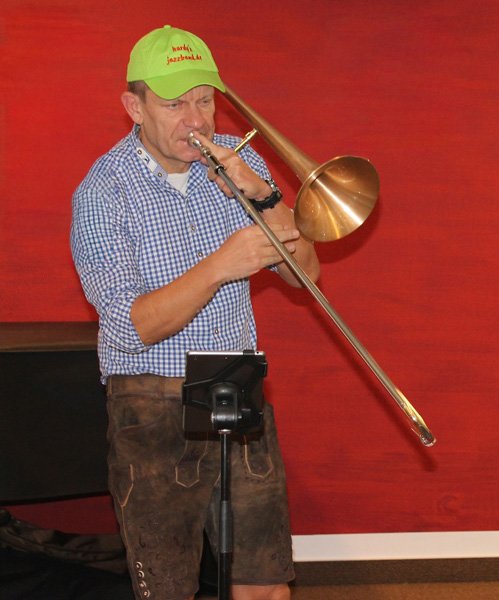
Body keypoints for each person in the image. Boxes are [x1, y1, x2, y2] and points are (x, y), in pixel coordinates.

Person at [71, 25, 319, 600]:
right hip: (149, 398)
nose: (196, 120)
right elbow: (130, 326)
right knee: (168, 588)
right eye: (174, 104)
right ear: (134, 107)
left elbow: (305, 275)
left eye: (205, 101)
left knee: (265, 582)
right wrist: (220, 266)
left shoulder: (239, 157)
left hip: (235, 382)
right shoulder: (103, 192)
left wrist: (263, 194)